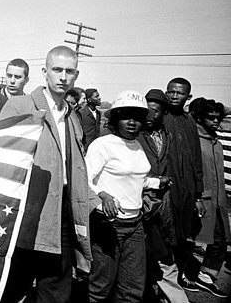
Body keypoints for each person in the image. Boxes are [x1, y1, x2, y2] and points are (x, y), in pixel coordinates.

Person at [0, 45, 98, 302]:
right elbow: (3, 159)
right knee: (11, 284)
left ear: (76, 75)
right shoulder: (21, 105)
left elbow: (75, 168)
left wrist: (94, 200)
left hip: (62, 213)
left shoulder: (72, 117)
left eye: (69, 71)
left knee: (55, 286)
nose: (63, 76)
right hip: (28, 211)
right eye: (57, 70)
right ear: (45, 72)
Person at [85, 90, 171, 302]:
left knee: (132, 288)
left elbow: (137, 180)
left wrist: (158, 182)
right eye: (126, 116)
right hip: (108, 225)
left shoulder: (138, 146)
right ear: (115, 119)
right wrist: (103, 195)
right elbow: (83, 181)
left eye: (138, 118)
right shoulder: (102, 145)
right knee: (101, 287)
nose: (132, 122)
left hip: (135, 224)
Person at [136, 89, 190, 303]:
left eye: (155, 112)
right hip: (140, 201)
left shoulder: (167, 135)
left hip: (165, 203)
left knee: (165, 250)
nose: (150, 116)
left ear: (163, 114)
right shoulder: (133, 134)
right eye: (146, 111)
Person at [182, 99, 229, 298]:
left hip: (218, 201)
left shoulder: (215, 140)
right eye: (211, 118)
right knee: (191, 239)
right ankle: (183, 275)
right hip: (200, 199)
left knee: (220, 240)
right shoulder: (194, 140)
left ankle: (206, 275)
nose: (216, 121)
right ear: (200, 118)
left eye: (219, 118)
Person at [162, 77, 206, 290]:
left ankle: (178, 277)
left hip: (187, 188)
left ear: (188, 96)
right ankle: (161, 280)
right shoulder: (160, 117)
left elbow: (196, 158)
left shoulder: (189, 122)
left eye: (179, 93)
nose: (174, 96)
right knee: (163, 234)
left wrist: (198, 194)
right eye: (171, 91)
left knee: (184, 235)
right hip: (166, 187)